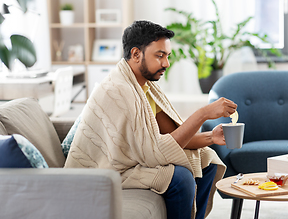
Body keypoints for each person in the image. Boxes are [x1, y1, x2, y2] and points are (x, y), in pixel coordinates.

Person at [64, 20, 237, 219]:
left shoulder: (145, 86)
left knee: (208, 160)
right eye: (159, 55)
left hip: (136, 158)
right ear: (136, 54)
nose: (166, 63)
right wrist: (204, 113)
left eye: (167, 56)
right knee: (180, 178)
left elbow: (170, 136)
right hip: (108, 170)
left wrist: (211, 137)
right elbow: (156, 152)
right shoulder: (120, 90)